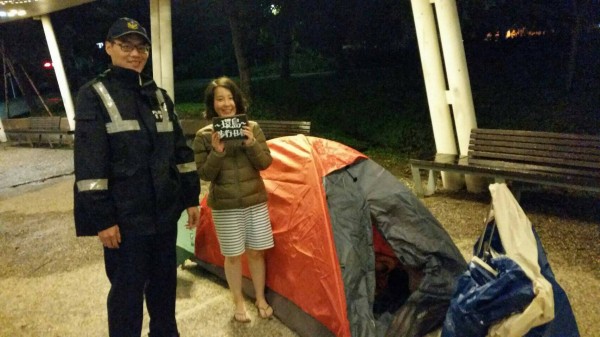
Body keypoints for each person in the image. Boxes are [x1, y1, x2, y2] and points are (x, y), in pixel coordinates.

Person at [73, 17, 200, 337]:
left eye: (141, 46)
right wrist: (102, 219)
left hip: (162, 218)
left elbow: (180, 151)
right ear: (110, 48)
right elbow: (90, 165)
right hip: (126, 223)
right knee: (126, 298)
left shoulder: (158, 96)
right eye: (126, 46)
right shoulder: (94, 95)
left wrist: (190, 197)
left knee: (163, 294)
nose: (135, 53)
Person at [193, 77, 274, 323]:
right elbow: (205, 175)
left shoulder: (253, 128)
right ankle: (238, 301)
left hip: (255, 202)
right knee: (233, 256)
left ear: (236, 101)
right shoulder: (204, 136)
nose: (226, 103)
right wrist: (217, 153)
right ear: (212, 104)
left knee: (257, 253)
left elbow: (265, 163)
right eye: (220, 99)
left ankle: (260, 297)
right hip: (225, 206)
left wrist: (251, 144)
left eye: (230, 98)